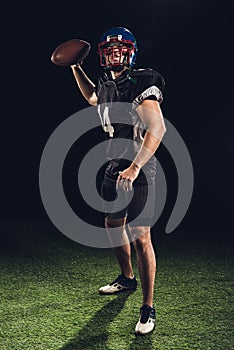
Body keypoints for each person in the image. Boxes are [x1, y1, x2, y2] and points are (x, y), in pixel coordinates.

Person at [70, 27, 166, 335]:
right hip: (113, 166)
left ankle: (148, 308)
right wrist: (75, 67)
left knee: (141, 237)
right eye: (109, 50)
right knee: (112, 226)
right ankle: (127, 278)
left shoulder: (141, 82)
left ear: (131, 52)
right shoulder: (107, 84)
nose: (115, 54)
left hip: (139, 169)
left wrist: (136, 167)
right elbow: (93, 97)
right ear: (102, 54)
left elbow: (158, 128)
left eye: (120, 49)